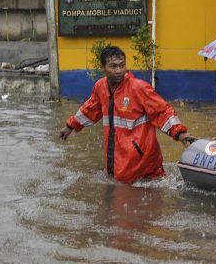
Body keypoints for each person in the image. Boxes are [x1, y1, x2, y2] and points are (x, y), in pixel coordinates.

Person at [59, 45, 193, 184]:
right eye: (113, 66)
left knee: (148, 198)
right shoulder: (100, 87)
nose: (118, 71)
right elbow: (90, 108)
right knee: (116, 194)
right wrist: (71, 125)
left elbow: (162, 111)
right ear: (102, 67)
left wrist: (180, 133)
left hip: (143, 163)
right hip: (118, 163)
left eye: (122, 66)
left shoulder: (138, 87)